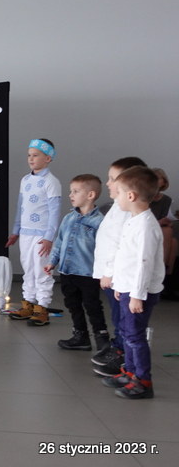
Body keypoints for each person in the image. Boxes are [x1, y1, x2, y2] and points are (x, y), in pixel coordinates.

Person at [101, 166, 164, 399]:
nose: (115, 197)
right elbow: (124, 256)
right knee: (127, 333)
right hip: (127, 288)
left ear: (131, 196)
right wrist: (119, 284)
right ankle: (129, 372)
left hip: (139, 292)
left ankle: (143, 381)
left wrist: (136, 295)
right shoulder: (133, 220)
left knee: (135, 336)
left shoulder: (146, 226)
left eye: (118, 193)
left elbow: (143, 263)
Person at [91, 156, 147, 377]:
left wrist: (109, 273)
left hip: (116, 277)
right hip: (110, 276)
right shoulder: (117, 207)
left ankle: (123, 355)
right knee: (118, 317)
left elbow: (120, 246)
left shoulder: (127, 212)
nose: (108, 183)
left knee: (122, 318)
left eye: (113, 179)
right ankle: (119, 347)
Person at [45, 174, 108, 351]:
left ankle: (102, 337)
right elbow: (59, 242)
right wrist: (52, 261)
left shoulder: (100, 222)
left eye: (75, 191)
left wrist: (104, 271)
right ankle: (80, 335)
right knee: (73, 304)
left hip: (87, 273)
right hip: (67, 272)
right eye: (70, 191)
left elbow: (104, 249)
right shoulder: (68, 218)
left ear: (90, 195)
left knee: (92, 305)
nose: (70, 195)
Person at [6, 139, 61, 326]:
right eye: (29, 155)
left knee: (41, 270)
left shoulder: (51, 182)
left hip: (42, 235)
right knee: (28, 269)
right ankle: (28, 303)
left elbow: (54, 212)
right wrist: (16, 231)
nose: (31, 158)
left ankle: (42, 307)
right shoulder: (25, 180)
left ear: (48, 158)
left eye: (35, 155)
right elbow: (21, 208)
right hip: (26, 233)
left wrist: (49, 237)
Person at [149, 168, 178, 275]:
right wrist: (159, 222)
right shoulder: (144, 197)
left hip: (159, 229)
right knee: (167, 231)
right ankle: (161, 269)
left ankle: (167, 275)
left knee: (174, 241)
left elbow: (167, 216)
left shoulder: (167, 200)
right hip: (147, 228)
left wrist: (168, 222)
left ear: (164, 182)